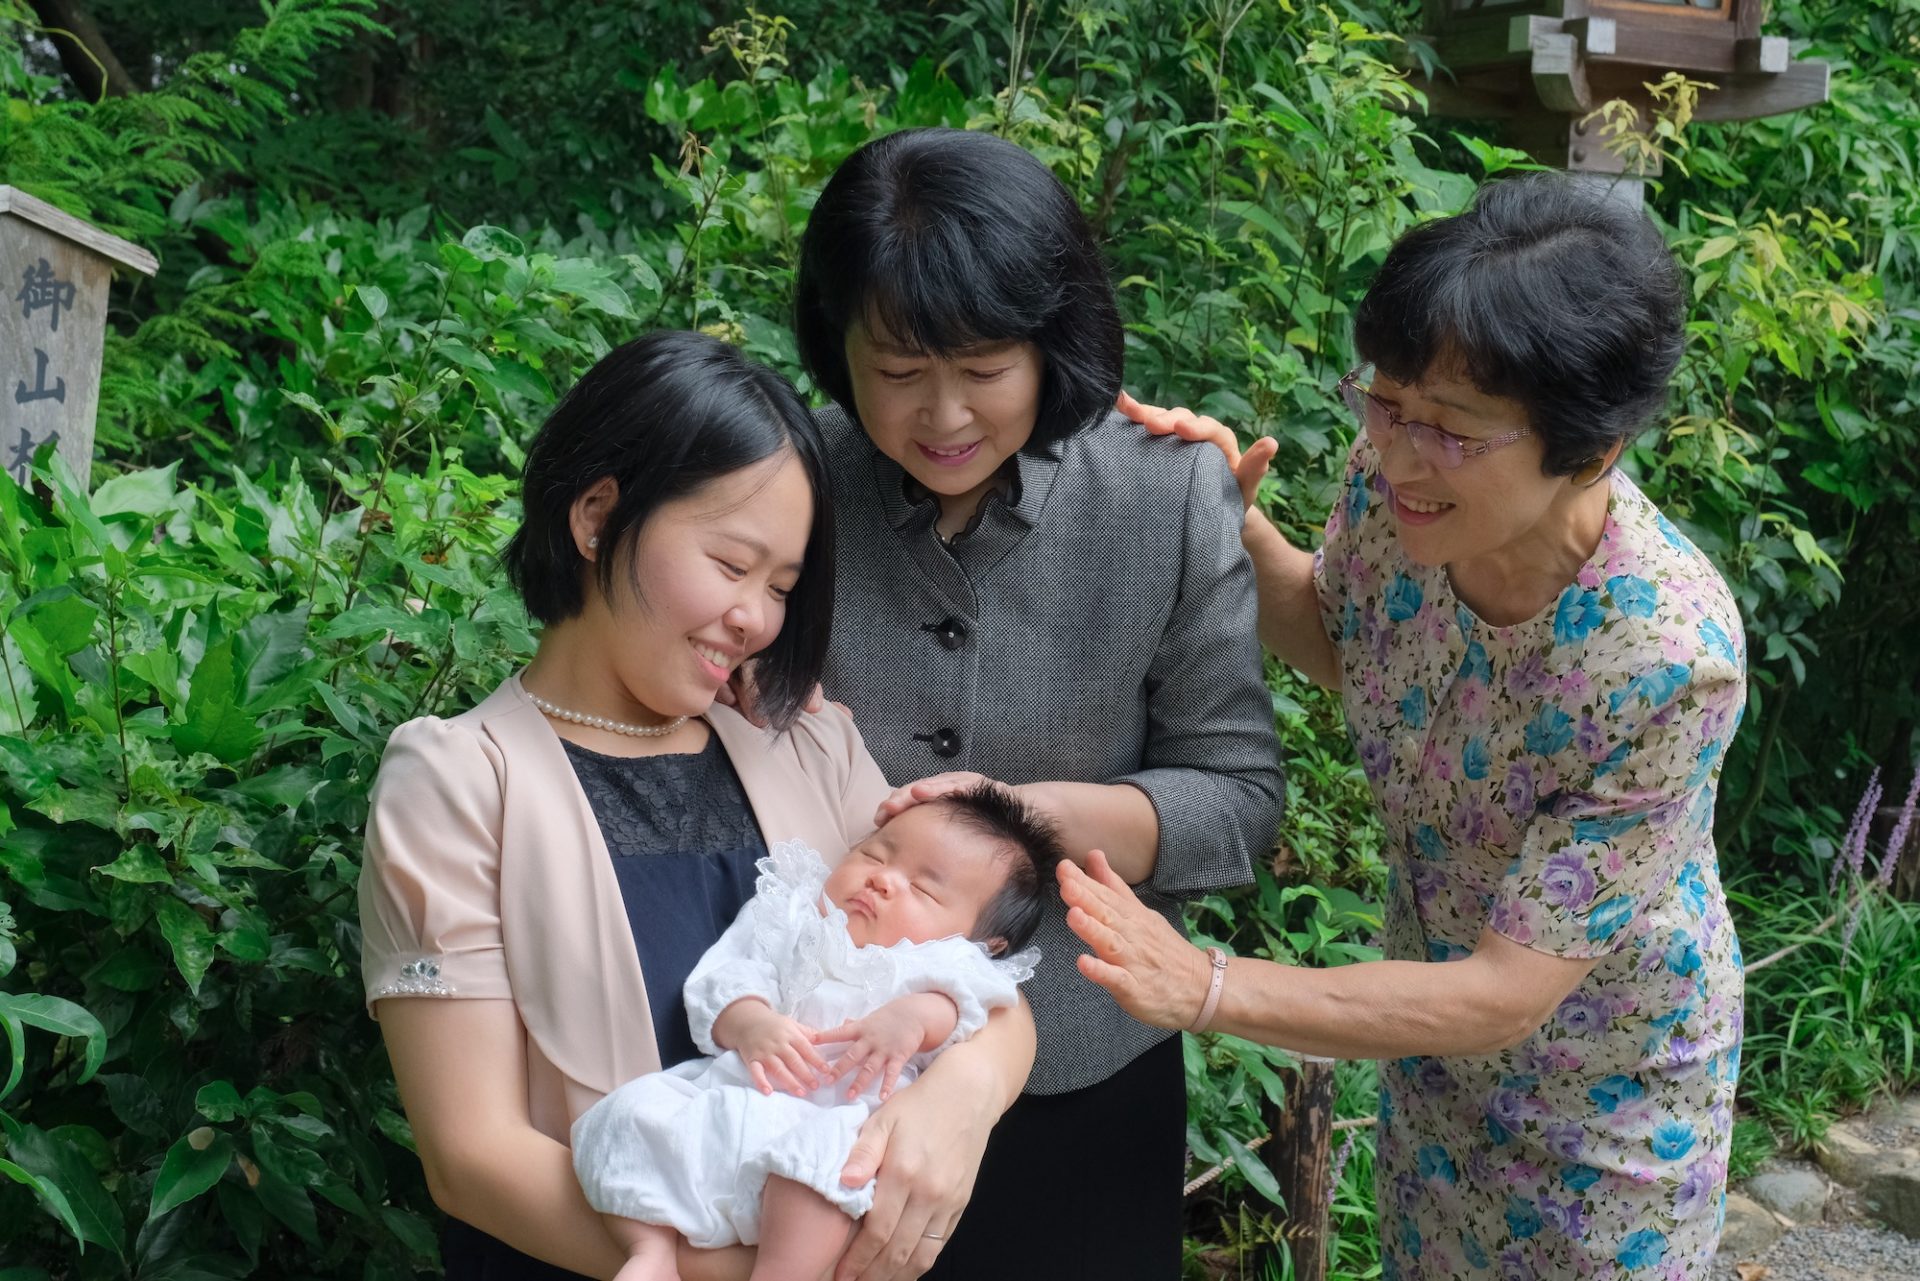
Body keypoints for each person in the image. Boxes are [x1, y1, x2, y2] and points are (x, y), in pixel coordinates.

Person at [1082, 172, 1748, 1280]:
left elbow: (1504, 993)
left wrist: (1201, 984)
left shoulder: (1667, 660)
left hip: (1610, 1100)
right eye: (1384, 402)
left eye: (1449, 429)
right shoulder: (1400, 489)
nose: (1395, 453)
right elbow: (1351, 649)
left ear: (1593, 449)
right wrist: (1238, 525)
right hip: (1427, 1046)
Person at [358, 330, 1036, 1281]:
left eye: (782, 587)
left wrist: (960, 1095)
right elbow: (472, 1157)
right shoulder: (460, 782)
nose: (757, 617)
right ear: (597, 515)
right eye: (731, 565)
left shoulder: (805, 741)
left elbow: (984, 979)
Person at [782, 126, 1284, 1279]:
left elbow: (1239, 799)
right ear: (836, 347)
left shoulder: (1163, 497)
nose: (943, 417)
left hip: (1083, 1066)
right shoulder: (791, 486)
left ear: (1054, 343)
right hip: (815, 1073)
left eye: (985, 370)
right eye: (899, 374)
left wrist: (1030, 813)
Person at [574, 788, 1064, 1281]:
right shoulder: (792, 914)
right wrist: (749, 1021)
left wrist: (916, 1017)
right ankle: (651, 1251)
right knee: (630, 1115)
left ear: (984, 941)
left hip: (837, 1121)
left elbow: (970, 1004)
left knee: (827, 1173)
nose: (883, 879)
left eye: (925, 889)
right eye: (875, 853)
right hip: (731, 1102)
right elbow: (725, 976)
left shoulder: (947, 963)